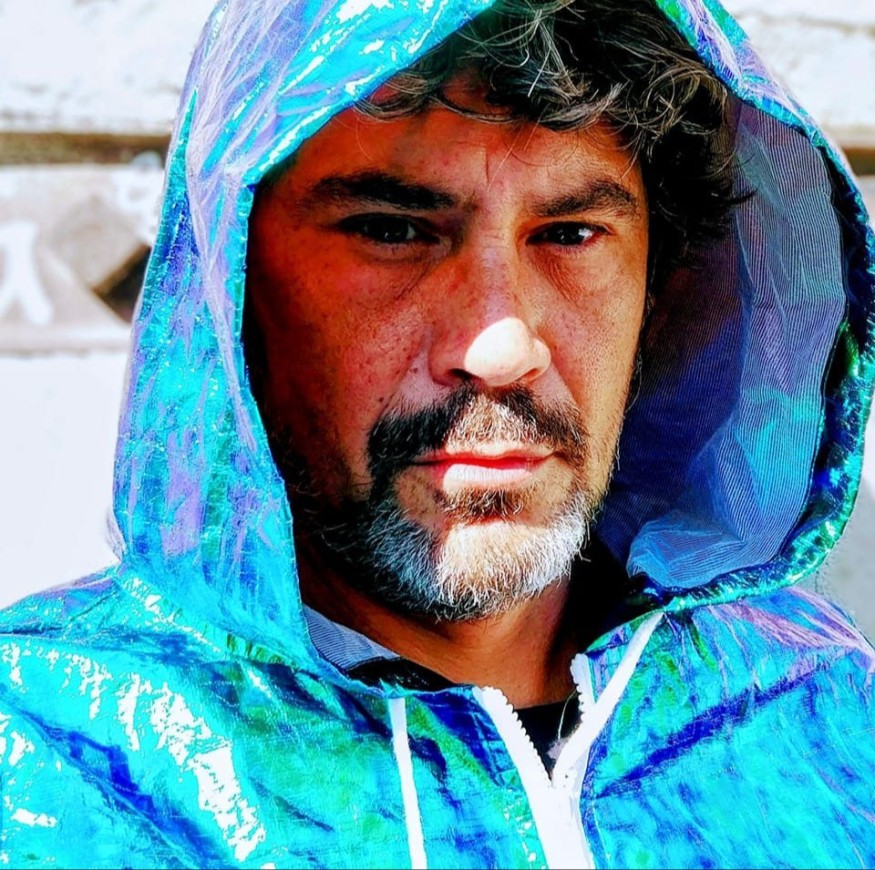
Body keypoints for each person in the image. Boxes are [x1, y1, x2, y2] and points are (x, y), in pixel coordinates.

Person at [2, 0, 874, 866]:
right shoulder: (52, 758)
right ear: (229, 288)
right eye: (393, 232)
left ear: (660, 291)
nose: (499, 351)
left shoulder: (821, 712)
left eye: (570, 234)